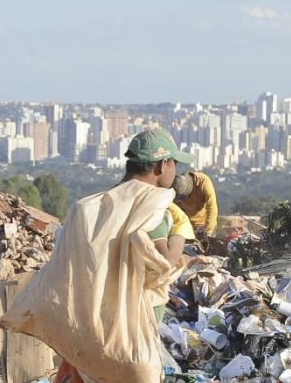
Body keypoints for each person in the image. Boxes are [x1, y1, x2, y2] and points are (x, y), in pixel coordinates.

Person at [51, 128, 195, 383]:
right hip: (130, 331)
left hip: (90, 324)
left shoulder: (92, 206)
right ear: (162, 166)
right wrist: (180, 231)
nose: (176, 171)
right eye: (174, 163)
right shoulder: (151, 207)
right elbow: (164, 263)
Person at [172, 171, 219, 236]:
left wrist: (208, 231)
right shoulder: (177, 188)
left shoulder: (203, 182)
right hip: (187, 226)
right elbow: (174, 211)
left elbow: (212, 206)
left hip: (204, 224)